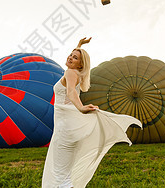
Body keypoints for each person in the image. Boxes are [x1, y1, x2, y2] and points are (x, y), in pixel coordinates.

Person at [42, 37, 142, 188]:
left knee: (60, 175)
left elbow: (70, 92)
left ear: (80, 64)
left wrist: (81, 108)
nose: (70, 57)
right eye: (70, 54)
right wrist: (79, 46)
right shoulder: (75, 73)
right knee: (65, 173)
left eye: (75, 57)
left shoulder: (70, 73)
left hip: (65, 129)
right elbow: (75, 74)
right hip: (69, 127)